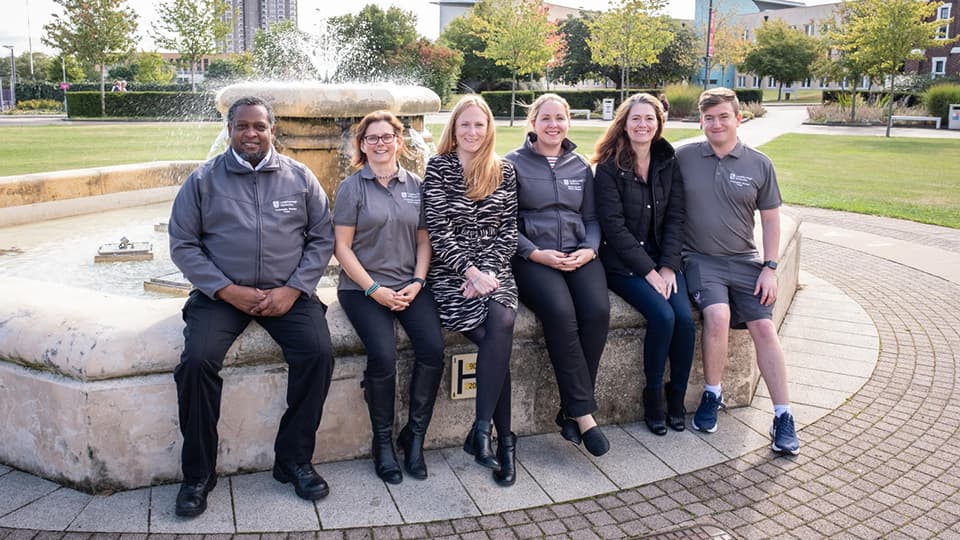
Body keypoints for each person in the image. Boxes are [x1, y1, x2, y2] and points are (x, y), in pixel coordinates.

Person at [168, 96, 336, 517]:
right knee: (197, 362)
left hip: (287, 293)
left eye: (259, 126)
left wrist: (294, 289)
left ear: (272, 130)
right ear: (229, 130)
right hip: (221, 296)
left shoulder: (299, 177)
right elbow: (183, 244)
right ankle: (198, 474)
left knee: (318, 354)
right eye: (242, 126)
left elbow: (322, 238)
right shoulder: (203, 180)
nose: (251, 133)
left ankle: (293, 460)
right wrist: (225, 289)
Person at [676, 87, 800, 455]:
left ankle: (783, 415)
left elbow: (772, 220)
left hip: (746, 260)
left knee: (764, 326)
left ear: (738, 119)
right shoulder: (684, 157)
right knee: (717, 316)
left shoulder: (759, 164)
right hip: (700, 260)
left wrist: (770, 268)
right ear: (701, 122)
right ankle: (712, 394)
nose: (716, 124)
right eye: (709, 118)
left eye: (723, 117)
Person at [334, 110, 445, 484]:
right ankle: (382, 442)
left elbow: (424, 240)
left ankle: (414, 436)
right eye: (372, 138)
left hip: (409, 285)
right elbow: (342, 248)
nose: (380, 143)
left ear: (399, 142)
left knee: (433, 350)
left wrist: (418, 280)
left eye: (387, 137)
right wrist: (373, 289)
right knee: (382, 355)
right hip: (362, 289)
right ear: (362, 145)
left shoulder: (416, 184)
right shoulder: (352, 187)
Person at [504, 93, 610, 457]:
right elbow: (505, 222)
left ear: (568, 122)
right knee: (561, 313)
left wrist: (590, 249)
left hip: (579, 253)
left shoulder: (580, 166)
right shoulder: (511, 164)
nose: (553, 125)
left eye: (560, 118)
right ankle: (583, 415)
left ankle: (570, 409)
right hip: (533, 257)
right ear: (532, 123)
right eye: (545, 118)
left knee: (597, 311)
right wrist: (535, 253)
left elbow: (592, 219)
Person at [422, 95, 519, 486]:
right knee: (497, 345)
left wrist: (488, 272)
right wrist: (470, 271)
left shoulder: (504, 170)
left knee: (503, 320)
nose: (472, 131)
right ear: (454, 128)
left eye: (479, 124)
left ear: (489, 128)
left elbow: (509, 231)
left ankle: (482, 431)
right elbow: (438, 230)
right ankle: (503, 441)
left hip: (495, 271)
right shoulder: (439, 168)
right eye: (465, 124)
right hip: (453, 273)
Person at [593, 93, 695, 436]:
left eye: (649, 118)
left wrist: (667, 266)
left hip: (663, 260)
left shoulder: (668, 161)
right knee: (663, 316)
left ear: (659, 124)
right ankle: (652, 397)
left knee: (684, 320)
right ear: (624, 124)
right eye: (635, 118)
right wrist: (649, 272)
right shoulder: (608, 168)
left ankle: (676, 396)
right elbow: (613, 227)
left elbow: (676, 217)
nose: (642, 125)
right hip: (623, 264)